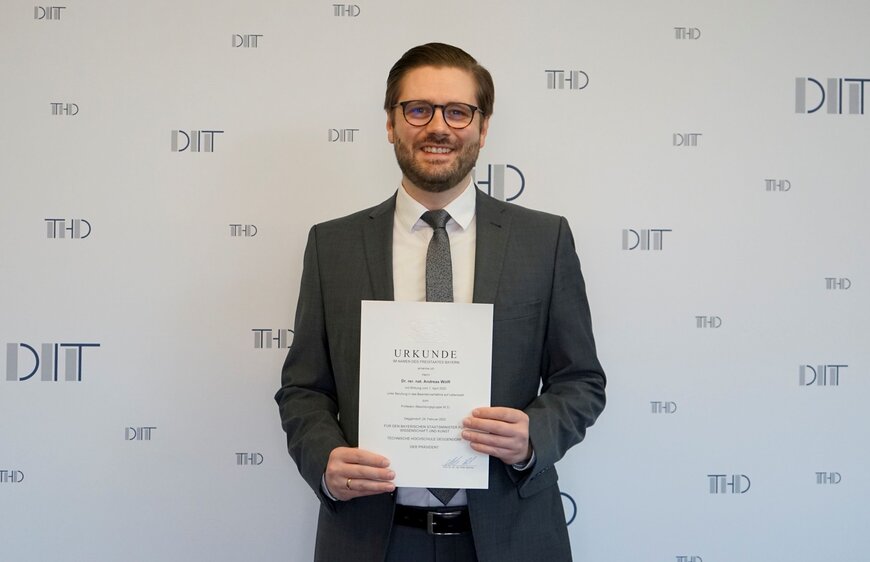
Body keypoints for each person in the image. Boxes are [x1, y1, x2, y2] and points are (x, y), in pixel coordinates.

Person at [275, 42, 606, 562]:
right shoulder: (332, 246)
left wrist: (533, 436)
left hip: (513, 536)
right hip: (370, 538)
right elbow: (303, 388)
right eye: (418, 110)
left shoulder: (545, 241)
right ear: (391, 124)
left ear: (483, 127)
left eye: (457, 112)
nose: (438, 127)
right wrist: (325, 460)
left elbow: (581, 380)